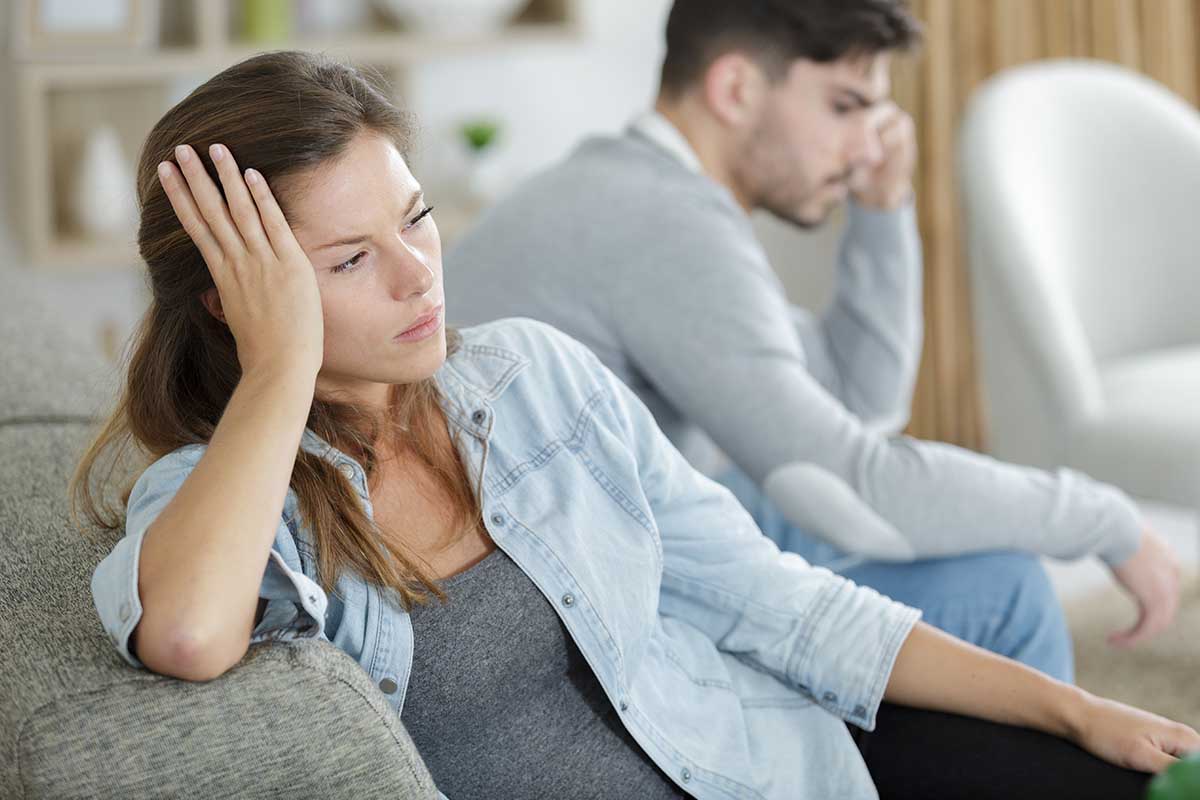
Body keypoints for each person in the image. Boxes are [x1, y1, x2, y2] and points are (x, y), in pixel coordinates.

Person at [75, 51, 1197, 800]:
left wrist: (1077, 701)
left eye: (415, 218)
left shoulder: (532, 376)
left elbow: (774, 599)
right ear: (242, 297)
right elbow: (184, 634)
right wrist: (281, 371)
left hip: (763, 767)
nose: (423, 276)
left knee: (1122, 768)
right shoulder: (214, 496)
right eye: (353, 260)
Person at [443, 0, 1181, 683]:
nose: (868, 146)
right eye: (845, 106)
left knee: (838, 505)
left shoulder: (635, 188)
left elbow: (859, 404)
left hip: (594, 548)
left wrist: (882, 210)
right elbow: (855, 494)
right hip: (568, 615)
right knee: (1003, 591)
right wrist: (1103, 516)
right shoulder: (665, 224)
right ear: (735, 90)